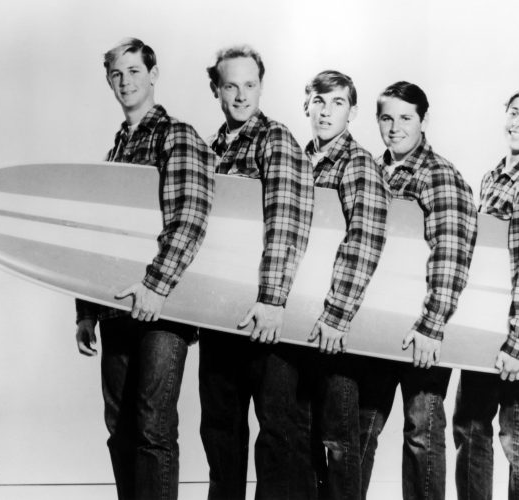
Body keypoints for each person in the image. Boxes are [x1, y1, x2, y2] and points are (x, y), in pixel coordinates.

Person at [75, 38, 216, 500]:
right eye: (117, 74)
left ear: (153, 75)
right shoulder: (114, 153)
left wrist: (155, 286)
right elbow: (98, 238)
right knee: (121, 427)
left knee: (153, 426)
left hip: (163, 308)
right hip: (116, 306)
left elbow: (190, 216)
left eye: (134, 71)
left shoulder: (177, 136)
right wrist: (86, 311)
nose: (126, 81)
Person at [199, 45, 316, 500]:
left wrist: (272, 299)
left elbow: (287, 222)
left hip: (268, 317)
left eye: (250, 85)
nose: (241, 95)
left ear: (261, 87)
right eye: (231, 86)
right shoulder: (209, 149)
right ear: (216, 89)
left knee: (279, 438)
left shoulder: (275, 139)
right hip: (221, 318)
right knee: (220, 433)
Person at [359, 81, 478, 500]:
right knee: (360, 427)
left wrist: (432, 324)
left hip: (421, 327)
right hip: (376, 325)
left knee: (422, 431)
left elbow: (452, 252)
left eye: (405, 118)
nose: (395, 128)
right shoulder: (371, 169)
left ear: (423, 121)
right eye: (386, 118)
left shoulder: (439, 175)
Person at [452, 88, 519, 500]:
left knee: (518, 439)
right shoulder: (494, 177)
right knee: (471, 427)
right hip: (487, 327)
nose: (518, 122)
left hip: (512, 336)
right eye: (513, 112)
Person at [303, 70, 389, 500]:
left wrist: (336, 316)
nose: (326, 111)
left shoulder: (357, 162)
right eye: (319, 101)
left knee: (339, 439)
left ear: (352, 112)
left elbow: (365, 240)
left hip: (339, 324)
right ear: (306, 106)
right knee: (306, 435)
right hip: (305, 320)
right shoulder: (301, 159)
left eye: (337, 103)